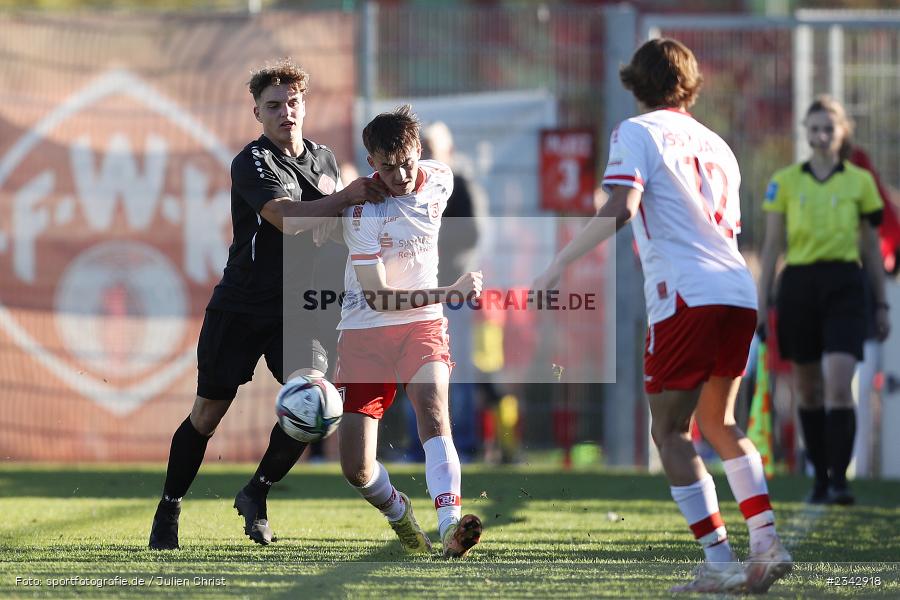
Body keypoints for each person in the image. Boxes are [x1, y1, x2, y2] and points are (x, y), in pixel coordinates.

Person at [535, 39, 791, 593]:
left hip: (685, 296)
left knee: (670, 430)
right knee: (720, 423)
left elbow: (622, 207)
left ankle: (720, 562)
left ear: (635, 83)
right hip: (735, 290)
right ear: (691, 83)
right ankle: (766, 541)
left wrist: (559, 262)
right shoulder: (719, 145)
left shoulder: (637, 132)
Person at [148, 59, 387, 550]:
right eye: (273, 105)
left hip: (301, 310)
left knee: (316, 405)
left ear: (304, 105)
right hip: (242, 303)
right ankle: (168, 509)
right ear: (257, 112)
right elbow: (284, 217)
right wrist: (345, 197)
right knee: (207, 415)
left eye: (293, 102)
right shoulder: (253, 161)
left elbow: (338, 228)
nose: (285, 112)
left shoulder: (325, 160)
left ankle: (256, 492)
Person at [334, 105, 483, 558]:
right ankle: (400, 514)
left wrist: (440, 298)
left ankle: (450, 526)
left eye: (406, 162)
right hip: (366, 331)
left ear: (420, 151)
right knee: (356, 467)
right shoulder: (362, 212)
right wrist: (448, 291)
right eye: (386, 166)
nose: (399, 175)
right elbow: (378, 298)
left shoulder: (441, 178)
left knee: (434, 410)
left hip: (422, 325)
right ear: (370, 162)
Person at [758, 95, 890, 505]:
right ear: (806, 132)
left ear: (841, 132)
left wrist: (881, 303)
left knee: (839, 383)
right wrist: (763, 304)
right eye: (814, 128)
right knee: (808, 390)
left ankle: (838, 478)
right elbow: (771, 246)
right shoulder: (786, 181)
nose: (821, 135)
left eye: (829, 128)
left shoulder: (859, 182)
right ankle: (819, 477)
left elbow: (870, 247)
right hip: (799, 286)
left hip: (844, 284)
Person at [404, 121, 487, 462]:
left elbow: (472, 233)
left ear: (448, 153)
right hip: (419, 294)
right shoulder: (408, 191)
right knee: (416, 371)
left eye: (433, 149)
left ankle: (464, 444)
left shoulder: (462, 187)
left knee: (458, 371)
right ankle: (418, 447)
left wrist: (427, 240)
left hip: (453, 293)